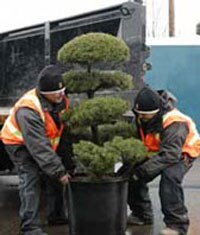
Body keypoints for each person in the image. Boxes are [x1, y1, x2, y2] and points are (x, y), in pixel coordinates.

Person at [1, 64, 72, 235]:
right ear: (44, 93)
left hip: (43, 143)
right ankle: (30, 227)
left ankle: (56, 216)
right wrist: (60, 171)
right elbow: (38, 147)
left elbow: (62, 135)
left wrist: (66, 164)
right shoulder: (29, 110)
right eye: (57, 92)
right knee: (30, 178)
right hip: (18, 143)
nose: (61, 94)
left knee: (53, 177)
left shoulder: (61, 100)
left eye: (63, 90)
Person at [127, 86, 200, 235]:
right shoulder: (142, 117)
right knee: (129, 173)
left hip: (182, 152)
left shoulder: (175, 122)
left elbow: (170, 155)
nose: (140, 118)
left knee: (170, 178)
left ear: (155, 112)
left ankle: (177, 225)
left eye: (144, 115)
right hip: (156, 151)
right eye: (138, 114)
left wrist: (142, 171)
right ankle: (142, 215)